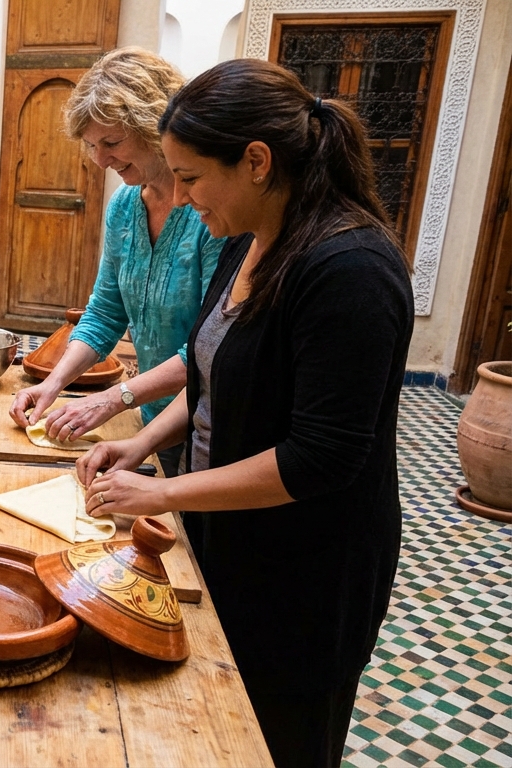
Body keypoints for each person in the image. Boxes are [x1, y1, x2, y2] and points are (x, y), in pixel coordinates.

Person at [76, 58, 414, 767]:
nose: (181, 196)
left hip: (305, 577)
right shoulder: (249, 241)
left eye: (192, 178)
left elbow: (319, 458)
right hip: (230, 539)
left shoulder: (351, 269)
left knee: (280, 740)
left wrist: (163, 493)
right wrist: (140, 446)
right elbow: (210, 379)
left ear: (256, 162)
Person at [8, 47, 223, 478]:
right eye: (91, 145)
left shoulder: (211, 214)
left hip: (206, 424)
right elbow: (105, 314)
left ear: (155, 126)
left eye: (111, 142)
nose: (100, 160)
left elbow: (208, 348)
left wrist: (115, 397)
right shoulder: (125, 206)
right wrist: (53, 383)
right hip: (148, 415)